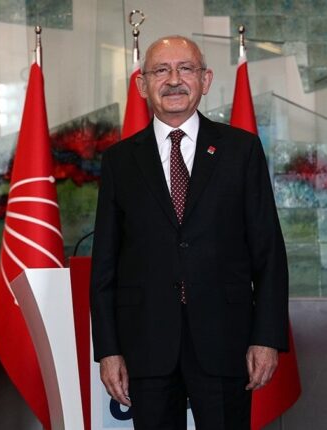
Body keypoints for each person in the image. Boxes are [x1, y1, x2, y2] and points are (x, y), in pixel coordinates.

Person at [90, 35, 289, 429]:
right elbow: (105, 265)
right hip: (146, 343)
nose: (174, 80)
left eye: (186, 69)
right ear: (142, 84)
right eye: (161, 70)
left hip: (226, 340)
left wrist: (266, 337)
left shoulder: (241, 151)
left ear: (205, 79)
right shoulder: (119, 161)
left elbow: (269, 253)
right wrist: (108, 351)